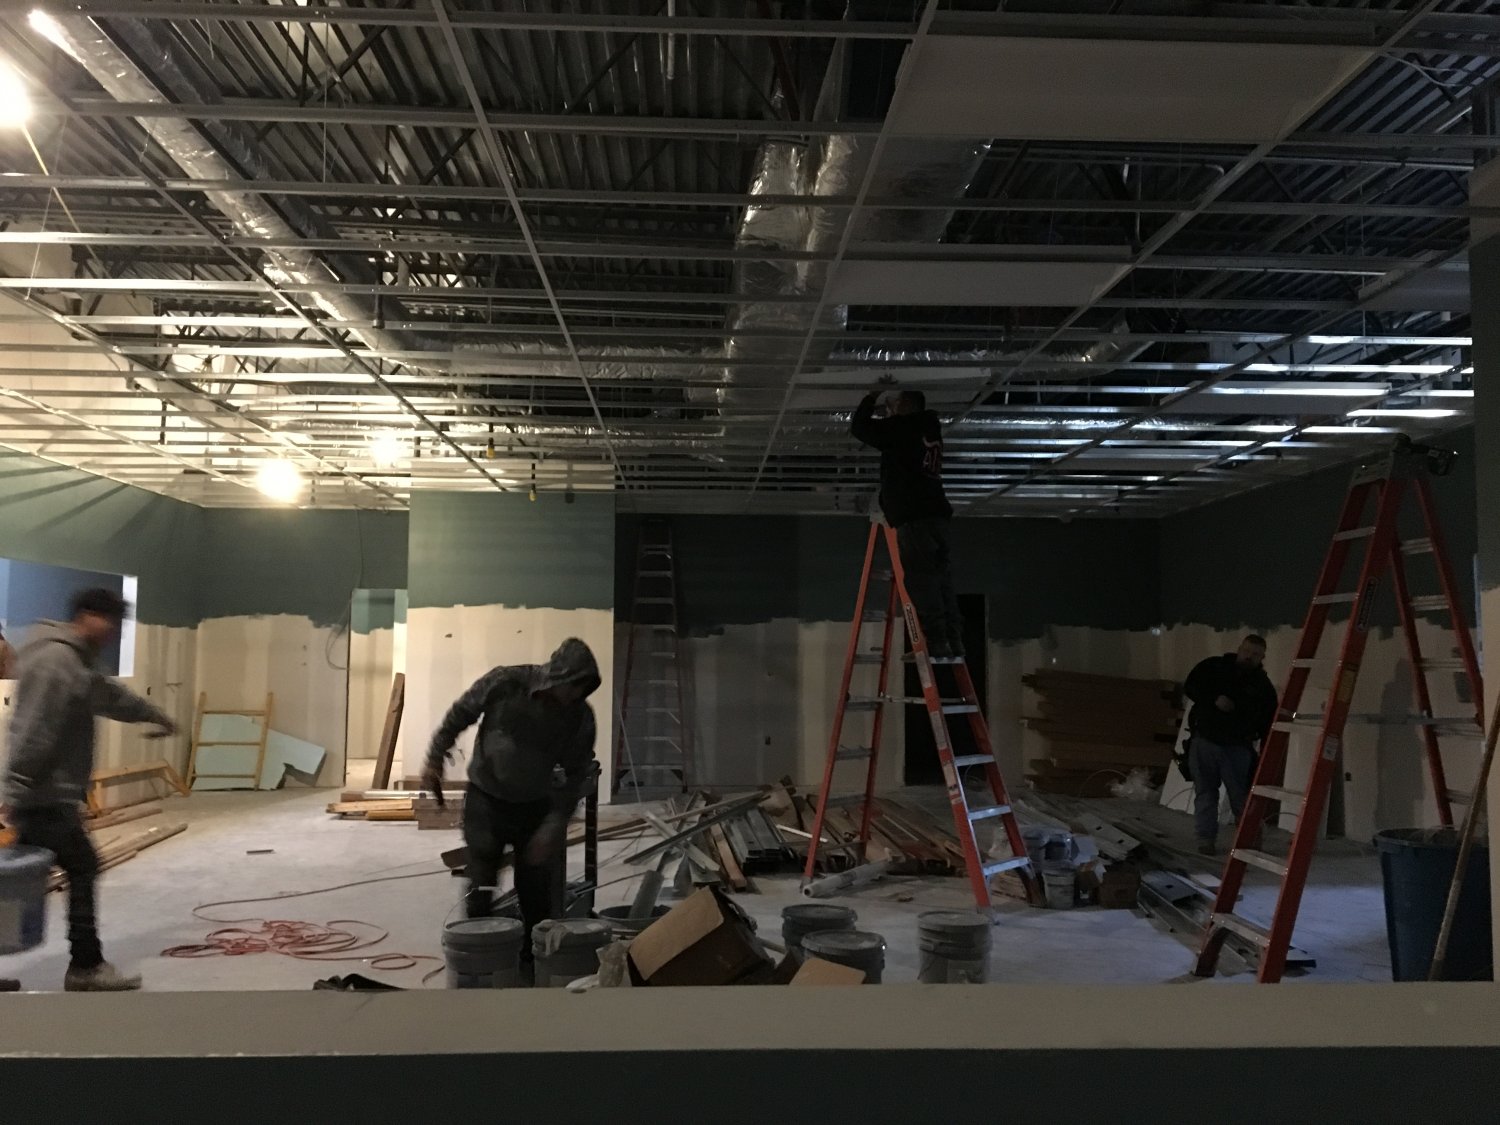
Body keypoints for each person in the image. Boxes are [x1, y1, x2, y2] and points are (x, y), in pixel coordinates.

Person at [3, 588, 177, 991]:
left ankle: (85, 964)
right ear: (86, 616)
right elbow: (34, 731)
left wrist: (155, 715)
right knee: (82, 866)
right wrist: (14, 791)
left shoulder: (74, 660)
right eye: (109, 621)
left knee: (17, 881)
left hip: (46, 792)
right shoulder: (56, 660)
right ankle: (86, 966)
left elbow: (108, 696)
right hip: (44, 794)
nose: (113, 631)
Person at [422, 638, 601, 963]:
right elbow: (460, 714)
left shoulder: (578, 717)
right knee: (482, 883)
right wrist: (435, 760)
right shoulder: (506, 683)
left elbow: (577, 774)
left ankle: (530, 967)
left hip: (535, 806)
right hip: (486, 800)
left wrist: (554, 822)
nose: (576, 695)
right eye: (573, 685)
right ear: (557, 677)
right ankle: (478, 959)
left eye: (583, 688)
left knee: (536, 893)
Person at [850, 377, 963, 657]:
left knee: (921, 580)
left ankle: (937, 643)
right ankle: (953, 641)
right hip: (935, 516)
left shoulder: (906, 427)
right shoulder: (926, 428)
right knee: (940, 580)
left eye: (897, 403)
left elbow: (861, 428)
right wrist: (894, 417)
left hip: (916, 518)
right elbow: (899, 439)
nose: (893, 407)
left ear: (907, 406)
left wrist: (872, 396)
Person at [1183, 635, 1278, 856]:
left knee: (1241, 798)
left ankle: (1249, 841)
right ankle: (1205, 841)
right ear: (1239, 649)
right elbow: (1191, 686)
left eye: (1255, 654)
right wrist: (1213, 699)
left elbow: (1268, 719)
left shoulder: (1262, 686)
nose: (1249, 657)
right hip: (1204, 741)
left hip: (1237, 747)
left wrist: (1266, 751)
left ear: (1262, 657)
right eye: (1247, 651)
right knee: (1205, 794)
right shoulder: (1214, 667)